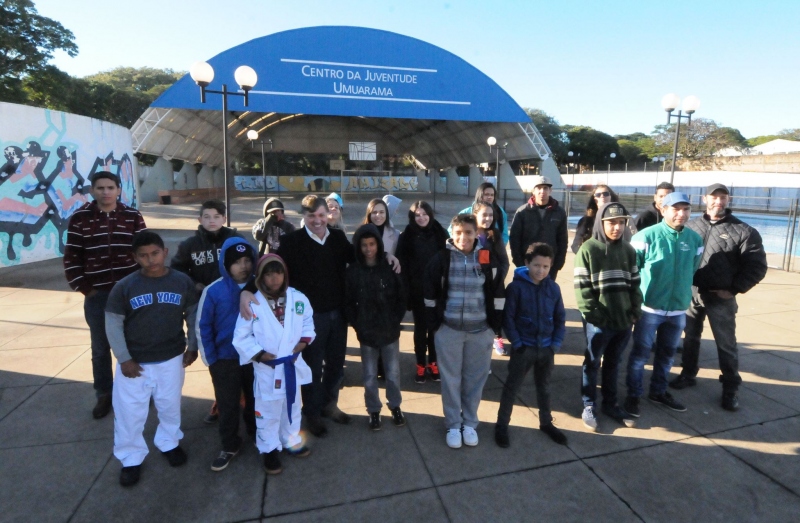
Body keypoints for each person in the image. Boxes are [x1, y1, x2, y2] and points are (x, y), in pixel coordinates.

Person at [104, 231, 199, 487]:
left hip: (171, 357)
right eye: (143, 256)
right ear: (135, 257)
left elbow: (192, 315)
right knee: (130, 413)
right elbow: (112, 324)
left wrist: (193, 345)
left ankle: (169, 442)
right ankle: (130, 457)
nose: (151, 259)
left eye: (155, 253)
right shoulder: (125, 287)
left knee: (169, 405)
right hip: (136, 361)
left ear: (164, 252)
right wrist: (124, 358)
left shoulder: (181, 281)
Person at [669, 184, 767, 411]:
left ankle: (730, 387)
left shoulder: (744, 231)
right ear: (705, 199)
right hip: (692, 293)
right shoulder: (691, 226)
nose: (718, 202)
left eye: (722, 198)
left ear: (728, 199)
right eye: (714, 197)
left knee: (726, 344)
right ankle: (688, 373)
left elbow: (757, 267)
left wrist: (734, 290)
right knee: (690, 338)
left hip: (721, 297)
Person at [63, 171, 147, 419]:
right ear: (92, 191)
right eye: (100, 188)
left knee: (137, 343)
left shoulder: (132, 216)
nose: (106, 192)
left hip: (130, 293)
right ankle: (104, 394)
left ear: (119, 190)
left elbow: (145, 251)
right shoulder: (80, 218)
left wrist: (143, 286)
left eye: (110, 187)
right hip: (98, 295)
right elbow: (72, 257)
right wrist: (85, 289)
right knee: (100, 348)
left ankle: (139, 389)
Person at [424, 214, 503, 449]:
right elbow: (429, 296)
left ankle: (469, 423)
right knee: (450, 381)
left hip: (481, 331)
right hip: (449, 331)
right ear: (452, 233)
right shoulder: (441, 259)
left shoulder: (487, 259)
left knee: (474, 380)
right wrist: (435, 328)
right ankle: (452, 424)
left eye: (468, 232)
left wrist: (494, 328)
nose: (463, 237)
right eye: (458, 232)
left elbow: (498, 295)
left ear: (476, 233)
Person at [624, 192, 704, 418]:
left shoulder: (695, 240)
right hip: (649, 308)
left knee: (667, 355)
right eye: (676, 209)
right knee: (640, 355)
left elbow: (693, 268)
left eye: (686, 209)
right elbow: (633, 270)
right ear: (663, 210)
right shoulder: (646, 236)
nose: (682, 214)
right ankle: (634, 394)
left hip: (678, 310)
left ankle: (658, 391)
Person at [233, 254, 314, 474]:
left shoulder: (298, 298)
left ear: (285, 274)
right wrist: (258, 354)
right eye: (268, 274)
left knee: (293, 406)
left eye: (278, 272)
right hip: (267, 368)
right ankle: (269, 449)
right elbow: (241, 336)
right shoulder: (253, 303)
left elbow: (308, 321)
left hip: (291, 365)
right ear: (260, 277)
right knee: (268, 411)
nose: (274, 278)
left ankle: (291, 440)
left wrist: (304, 341)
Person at [171, 199, 242, 425]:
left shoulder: (235, 241)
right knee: (216, 357)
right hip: (204, 306)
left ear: (224, 218)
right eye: (207, 217)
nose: (212, 221)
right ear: (200, 219)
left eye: (216, 216)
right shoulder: (190, 245)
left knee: (240, 353)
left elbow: (251, 265)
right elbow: (177, 270)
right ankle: (221, 401)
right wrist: (195, 284)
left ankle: (243, 398)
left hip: (234, 306)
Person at [574, 203, 642, 431]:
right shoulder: (588, 250)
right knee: (592, 363)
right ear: (601, 223)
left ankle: (610, 404)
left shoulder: (628, 250)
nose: (617, 227)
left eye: (621, 222)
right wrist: (598, 318)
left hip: (624, 322)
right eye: (611, 222)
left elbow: (635, 284)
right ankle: (588, 404)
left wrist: (634, 312)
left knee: (614, 364)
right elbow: (583, 292)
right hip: (600, 324)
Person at [494, 243, 567, 447]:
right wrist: (517, 344)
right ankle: (501, 425)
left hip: (546, 348)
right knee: (512, 387)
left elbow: (560, 318)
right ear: (527, 263)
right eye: (536, 265)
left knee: (544, 387)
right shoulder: (516, 288)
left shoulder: (553, 288)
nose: (541, 270)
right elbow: (509, 319)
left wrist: (555, 344)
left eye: (546, 266)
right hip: (523, 348)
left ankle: (546, 422)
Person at [196, 237, 257, 472]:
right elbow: (203, 326)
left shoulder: (260, 287)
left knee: (255, 400)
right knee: (228, 404)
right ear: (225, 264)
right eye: (236, 262)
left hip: (254, 359)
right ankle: (230, 444)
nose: (243, 266)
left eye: (246, 260)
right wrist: (210, 359)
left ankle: (257, 434)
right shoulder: (214, 291)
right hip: (225, 360)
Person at [345, 224, 407, 430]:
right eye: (364, 245)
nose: (368, 249)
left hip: (389, 330)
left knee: (392, 372)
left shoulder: (389, 267)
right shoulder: (354, 271)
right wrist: (357, 324)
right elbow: (349, 301)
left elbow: (401, 296)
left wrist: (394, 320)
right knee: (370, 374)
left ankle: (395, 405)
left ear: (378, 245)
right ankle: (373, 409)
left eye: (372, 244)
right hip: (366, 332)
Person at [395, 200, 449, 383]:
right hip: (417, 290)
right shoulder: (407, 235)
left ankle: (433, 362)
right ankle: (420, 364)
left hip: (436, 290)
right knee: (420, 329)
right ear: (412, 217)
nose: (422, 218)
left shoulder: (439, 231)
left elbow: (448, 256)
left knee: (435, 329)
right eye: (417, 215)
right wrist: (406, 292)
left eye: (424, 214)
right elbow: (401, 265)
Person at [509, 175, 568, 281]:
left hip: (549, 266)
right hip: (527, 264)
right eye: (539, 188)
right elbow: (515, 239)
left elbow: (562, 239)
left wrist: (558, 263)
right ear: (533, 191)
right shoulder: (522, 212)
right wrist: (519, 263)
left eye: (545, 188)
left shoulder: (559, 212)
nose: (542, 191)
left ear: (550, 190)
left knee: (545, 295)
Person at [472, 201, 509, 356]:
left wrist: (498, 277)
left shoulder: (495, 235)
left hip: (494, 285)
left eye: (490, 215)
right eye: (484, 215)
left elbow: (504, 261)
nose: (488, 218)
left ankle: (497, 336)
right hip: (475, 284)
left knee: (496, 311)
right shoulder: (469, 233)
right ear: (475, 215)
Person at [571, 185, 620, 253]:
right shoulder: (586, 221)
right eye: (598, 195)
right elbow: (576, 245)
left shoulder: (622, 217)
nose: (602, 196)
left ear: (611, 196)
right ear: (594, 199)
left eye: (605, 194)